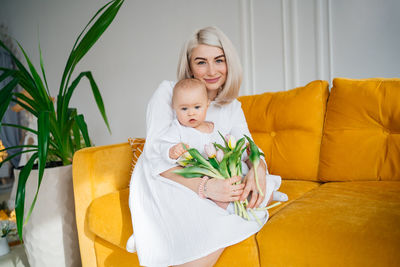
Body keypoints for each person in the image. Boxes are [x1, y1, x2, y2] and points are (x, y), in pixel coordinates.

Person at [127, 26, 285, 267]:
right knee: (213, 221)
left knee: (241, 192)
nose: (212, 71)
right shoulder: (168, 92)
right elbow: (155, 155)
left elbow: (249, 147)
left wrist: (257, 168)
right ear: (190, 67)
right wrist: (205, 187)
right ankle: (156, 233)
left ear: (228, 62)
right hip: (167, 177)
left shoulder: (231, 106)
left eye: (218, 60)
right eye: (201, 62)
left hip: (209, 176)